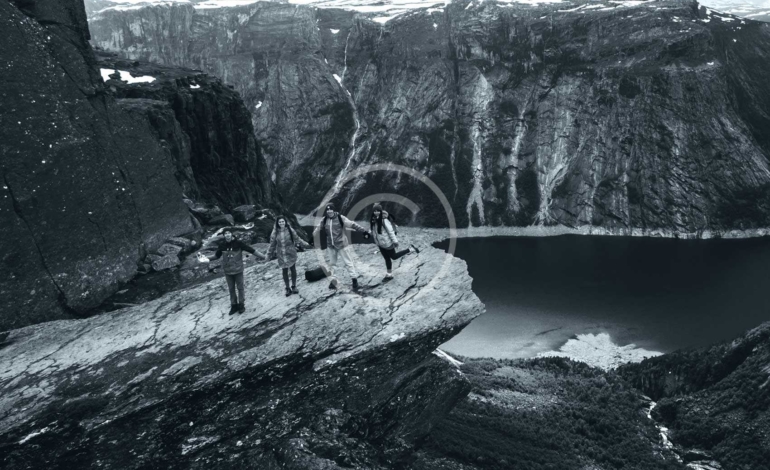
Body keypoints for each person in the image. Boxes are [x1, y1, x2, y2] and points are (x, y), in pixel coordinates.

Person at [312, 203, 371, 292]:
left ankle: (354, 279)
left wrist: (363, 231)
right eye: (328, 210)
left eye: (331, 209)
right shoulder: (324, 219)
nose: (329, 211)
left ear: (334, 210)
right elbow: (318, 228)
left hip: (342, 244)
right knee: (332, 264)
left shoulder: (340, 218)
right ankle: (333, 281)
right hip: (331, 246)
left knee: (348, 263)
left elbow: (352, 224)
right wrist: (312, 237)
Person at [211, 229, 266, 314]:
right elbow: (216, 256)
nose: (227, 235)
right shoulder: (222, 245)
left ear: (231, 234)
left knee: (240, 288)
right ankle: (234, 306)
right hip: (228, 271)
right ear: (224, 235)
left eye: (229, 233)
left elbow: (251, 250)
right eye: (225, 233)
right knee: (231, 289)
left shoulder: (238, 243)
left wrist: (265, 257)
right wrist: (205, 259)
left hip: (238, 270)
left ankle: (241, 305)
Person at [370, 203, 418, 280]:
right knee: (387, 259)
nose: (376, 212)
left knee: (394, 257)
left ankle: (410, 249)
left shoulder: (384, 220)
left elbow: (391, 232)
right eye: (375, 211)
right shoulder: (374, 220)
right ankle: (389, 275)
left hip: (387, 243)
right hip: (380, 244)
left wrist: (395, 242)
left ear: (381, 211)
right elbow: (374, 231)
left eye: (378, 211)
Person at [267, 215, 311, 296]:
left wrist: (305, 244)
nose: (281, 223)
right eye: (280, 222)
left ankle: (294, 286)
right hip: (281, 253)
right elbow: (272, 244)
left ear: (285, 222)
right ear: (277, 223)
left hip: (290, 251)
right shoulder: (275, 232)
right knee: (284, 270)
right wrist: (268, 255)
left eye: (283, 221)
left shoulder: (290, 230)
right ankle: (287, 288)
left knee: (293, 269)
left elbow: (297, 239)